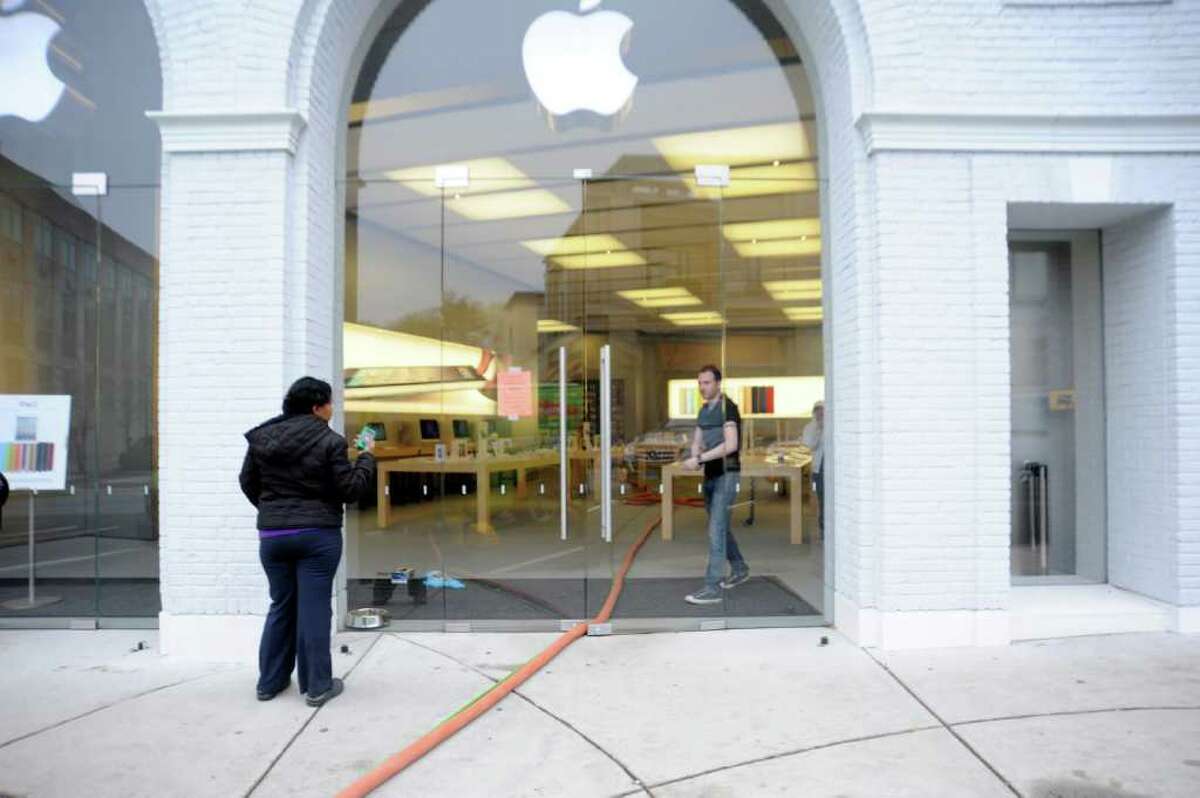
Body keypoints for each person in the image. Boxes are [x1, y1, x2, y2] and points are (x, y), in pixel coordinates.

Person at [239, 376, 375, 707]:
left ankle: (269, 683)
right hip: (317, 536)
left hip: (273, 537)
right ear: (317, 408)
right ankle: (317, 686)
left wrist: (274, 512)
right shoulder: (330, 442)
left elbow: (247, 482)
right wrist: (367, 458)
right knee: (314, 609)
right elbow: (351, 491)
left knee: (281, 604)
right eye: (329, 403)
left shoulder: (261, 439)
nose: (332, 409)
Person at [683, 365, 748, 605]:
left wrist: (699, 458)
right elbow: (698, 438)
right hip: (710, 475)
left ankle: (712, 588)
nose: (702, 387)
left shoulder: (727, 408)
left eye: (707, 383)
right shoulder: (704, 410)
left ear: (718, 383)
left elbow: (731, 445)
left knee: (715, 530)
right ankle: (740, 567)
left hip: (727, 474)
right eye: (700, 383)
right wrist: (695, 451)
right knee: (719, 527)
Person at [801, 400, 825, 537]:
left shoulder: (832, 424)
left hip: (830, 467)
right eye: (817, 410)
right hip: (818, 469)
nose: (820, 413)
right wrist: (818, 430)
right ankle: (823, 528)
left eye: (822, 410)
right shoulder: (810, 427)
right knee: (821, 498)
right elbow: (809, 446)